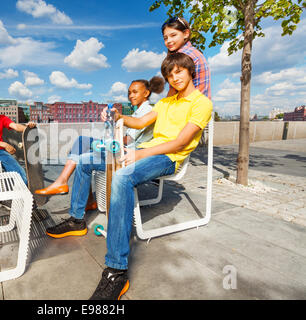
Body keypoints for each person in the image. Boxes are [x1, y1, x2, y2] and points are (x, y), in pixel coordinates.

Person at [46, 53, 213, 300]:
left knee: (122, 177)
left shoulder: (202, 103)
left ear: (190, 71)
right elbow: (138, 122)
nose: (174, 77)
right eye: (170, 74)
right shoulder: (165, 104)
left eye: (179, 71)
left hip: (168, 158)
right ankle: (77, 220)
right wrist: (117, 116)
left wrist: (140, 154)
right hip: (146, 153)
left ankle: (116, 270)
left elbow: (180, 142)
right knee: (83, 161)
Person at [34, 77, 165, 205]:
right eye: (129, 92)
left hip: (129, 154)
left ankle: (63, 182)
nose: (131, 95)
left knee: (82, 143)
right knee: (81, 148)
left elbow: (128, 140)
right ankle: (86, 198)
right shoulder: (139, 111)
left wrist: (106, 140)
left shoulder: (146, 111)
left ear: (146, 93)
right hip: (123, 148)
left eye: (135, 92)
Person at [162, 16, 210, 99]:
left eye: (173, 35)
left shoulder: (183, 56)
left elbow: (173, 92)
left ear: (186, 34)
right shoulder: (194, 52)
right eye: (165, 38)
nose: (169, 40)